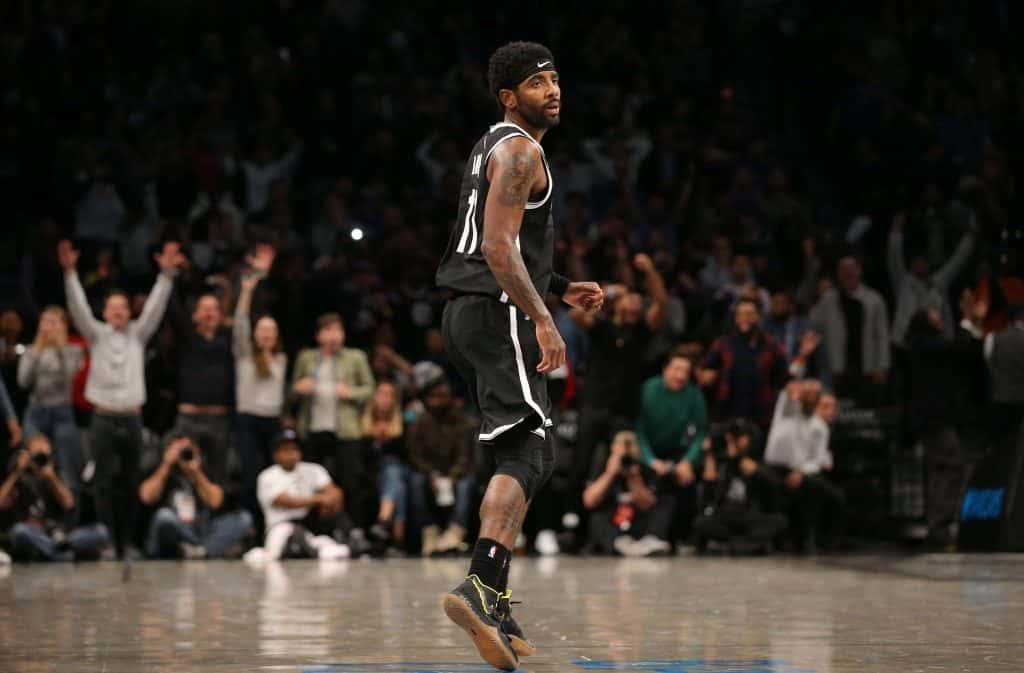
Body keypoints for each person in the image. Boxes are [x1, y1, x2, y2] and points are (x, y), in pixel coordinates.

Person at [434, 42, 603, 670]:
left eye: (556, 79)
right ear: (510, 98)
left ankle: (495, 598)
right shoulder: (522, 150)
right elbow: (499, 251)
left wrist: (559, 285)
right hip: (495, 311)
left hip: (467, 312)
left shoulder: (491, 145)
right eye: (537, 83)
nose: (553, 90)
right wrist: (542, 317)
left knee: (525, 448)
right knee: (530, 449)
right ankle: (481, 585)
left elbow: (494, 244)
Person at [60, 238, 183, 559]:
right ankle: (105, 541)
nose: (118, 312)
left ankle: (127, 543)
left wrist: (166, 276)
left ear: (129, 312)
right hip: (102, 417)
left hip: (131, 416)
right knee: (101, 482)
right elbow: (77, 308)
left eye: (123, 308)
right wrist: (71, 273)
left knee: (130, 482)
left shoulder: (138, 336)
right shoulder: (96, 334)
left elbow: (155, 307)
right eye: (112, 308)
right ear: (105, 312)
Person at [568, 253, 668, 520]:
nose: (636, 301)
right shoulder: (602, 328)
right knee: (583, 461)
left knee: (625, 463)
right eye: (630, 297)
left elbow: (660, 302)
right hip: (594, 404)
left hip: (624, 410)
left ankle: (620, 521)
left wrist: (649, 271)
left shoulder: (641, 332)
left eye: (638, 298)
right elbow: (575, 313)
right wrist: (609, 292)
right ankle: (571, 519)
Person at [291, 312, 375, 540]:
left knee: (350, 481)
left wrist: (351, 393)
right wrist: (298, 388)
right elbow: (292, 391)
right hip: (313, 428)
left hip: (345, 430)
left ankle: (354, 530)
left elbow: (369, 389)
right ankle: (316, 531)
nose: (333, 336)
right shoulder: (307, 358)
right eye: (328, 331)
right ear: (319, 335)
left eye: (338, 331)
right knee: (313, 483)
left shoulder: (354, 357)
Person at [233, 245, 286, 529]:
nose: (266, 334)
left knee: (274, 473)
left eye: (271, 330)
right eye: (261, 330)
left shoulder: (281, 358)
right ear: (255, 335)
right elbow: (240, 322)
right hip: (248, 420)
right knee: (252, 472)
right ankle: (250, 524)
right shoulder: (245, 355)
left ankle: (274, 523)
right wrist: (247, 290)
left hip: (272, 420)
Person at [166, 274, 236, 486]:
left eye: (213, 308)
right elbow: (173, 310)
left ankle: (213, 517)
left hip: (219, 419)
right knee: (182, 474)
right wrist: (172, 276)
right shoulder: (186, 338)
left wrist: (227, 290)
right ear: (195, 314)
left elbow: (242, 319)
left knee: (218, 476)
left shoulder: (229, 340)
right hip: (189, 418)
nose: (209, 313)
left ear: (222, 315)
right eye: (204, 308)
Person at [138, 434, 252, 559]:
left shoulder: (207, 470)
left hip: (201, 528)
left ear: (196, 450)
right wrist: (166, 464)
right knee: (164, 516)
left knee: (243, 518)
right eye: (178, 450)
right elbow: (146, 497)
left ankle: (201, 551)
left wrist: (196, 472)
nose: (182, 454)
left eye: (186, 449)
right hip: (177, 527)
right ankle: (207, 550)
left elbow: (215, 502)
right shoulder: (161, 470)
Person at [17, 307, 84, 517]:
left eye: (55, 322)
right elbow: (23, 382)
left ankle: (70, 524)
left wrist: (60, 346)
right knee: (32, 465)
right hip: (36, 414)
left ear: (64, 325)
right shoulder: (30, 351)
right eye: (45, 322)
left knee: (68, 470)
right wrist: (38, 350)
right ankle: (30, 519)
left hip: (62, 414)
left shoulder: (73, 351)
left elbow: (69, 378)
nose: (49, 327)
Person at [0, 434, 110, 561]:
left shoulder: (55, 475)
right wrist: (17, 472)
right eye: (37, 455)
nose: (41, 460)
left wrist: (51, 478)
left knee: (101, 531)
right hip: (32, 533)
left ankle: (51, 552)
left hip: (59, 535)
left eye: (45, 456)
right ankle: (62, 554)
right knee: (19, 531)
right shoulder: (20, 476)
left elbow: (69, 504)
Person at [763, 380, 844, 552]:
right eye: (807, 393)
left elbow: (817, 459)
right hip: (775, 467)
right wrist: (793, 390)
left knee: (820, 490)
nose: (810, 397)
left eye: (815, 395)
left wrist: (800, 471)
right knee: (769, 483)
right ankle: (772, 539)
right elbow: (788, 392)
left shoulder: (819, 426)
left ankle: (810, 539)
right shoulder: (787, 411)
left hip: (800, 471)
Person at [693, 421, 787, 553]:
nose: (736, 441)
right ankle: (743, 544)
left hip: (750, 518)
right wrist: (709, 457)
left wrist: (739, 459)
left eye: (740, 436)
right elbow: (706, 501)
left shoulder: (754, 460)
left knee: (779, 521)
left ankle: (737, 544)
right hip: (725, 518)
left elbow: (773, 485)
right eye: (733, 437)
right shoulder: (721, 462)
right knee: (701, 522)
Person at [406, 380, 476, 557]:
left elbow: (465, 456)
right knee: (415, 480)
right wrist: (431, 474)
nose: (435, 402)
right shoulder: (420, 423)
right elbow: (415, 454)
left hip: (456, 473)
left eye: (440, 397)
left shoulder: (463, 422)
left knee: (466, 483)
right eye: (432, 397)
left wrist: (452, 476)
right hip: (430, 472)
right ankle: (429, 531)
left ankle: (456, 531)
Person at [256, 429, 347, 561]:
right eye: (286, 450)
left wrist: (329, 505)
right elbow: (286, 501)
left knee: (329, 533)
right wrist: (320, 499)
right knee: (283, 544)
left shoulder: (313, 469)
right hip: (279, 526)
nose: (291, 454)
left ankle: (346, 540)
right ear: (275, 454)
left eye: (294, 449)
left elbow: (335, 492)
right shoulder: (267, 476)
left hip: (308, 524)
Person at [888, 212, 975, 347]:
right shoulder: (903, 282)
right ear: (911, 265)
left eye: (923, 262)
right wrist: (896, 231)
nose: (920, 265)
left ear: (928, 264)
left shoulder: (939, 281)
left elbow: (957, 261)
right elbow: (894, 258)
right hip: (903, 344)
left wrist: (969, 239)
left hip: (935, 344)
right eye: (917, 262)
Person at [811, 254, 890, 405]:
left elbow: (882, 335)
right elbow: (813, 326)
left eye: (851, 268)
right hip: (837, 368)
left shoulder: (874, 299)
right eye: (843, 268)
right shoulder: (827, 299)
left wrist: (882, 366)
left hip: (867, 367)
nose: (848, 272)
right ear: (838, 273)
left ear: (859, 271)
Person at [699, 298, 790, 429]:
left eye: (748, 314)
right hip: (726, 413)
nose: (743, 318)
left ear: (758, 316)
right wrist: (706, 376)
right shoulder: (723, 344)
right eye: (739, 314)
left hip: (760, 416)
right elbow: (707, 370)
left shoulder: (772, 345)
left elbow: (783, 378)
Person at [582, 431, 670, 557]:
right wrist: (609, 474)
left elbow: (647, 505)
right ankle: (620, 544)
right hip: (613, 525)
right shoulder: (603, 467)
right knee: (596, 518)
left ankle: (650, 540)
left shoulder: (643, 470)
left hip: (637, 523)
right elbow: (588, 501)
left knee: (665, 503)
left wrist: (633, 477)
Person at [361, 380, 408, 555]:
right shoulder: (362, 423)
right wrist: (375, 441)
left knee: (393, 469)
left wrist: (388, 441)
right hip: (373, 473)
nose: (385, 399)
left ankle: (383, 520)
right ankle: (398, 541)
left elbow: (407, 454)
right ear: (374, 397)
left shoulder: (403, 422)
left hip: (400, 468)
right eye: (381, 393)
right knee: (398, 486)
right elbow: (362, 458)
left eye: (390, 395)